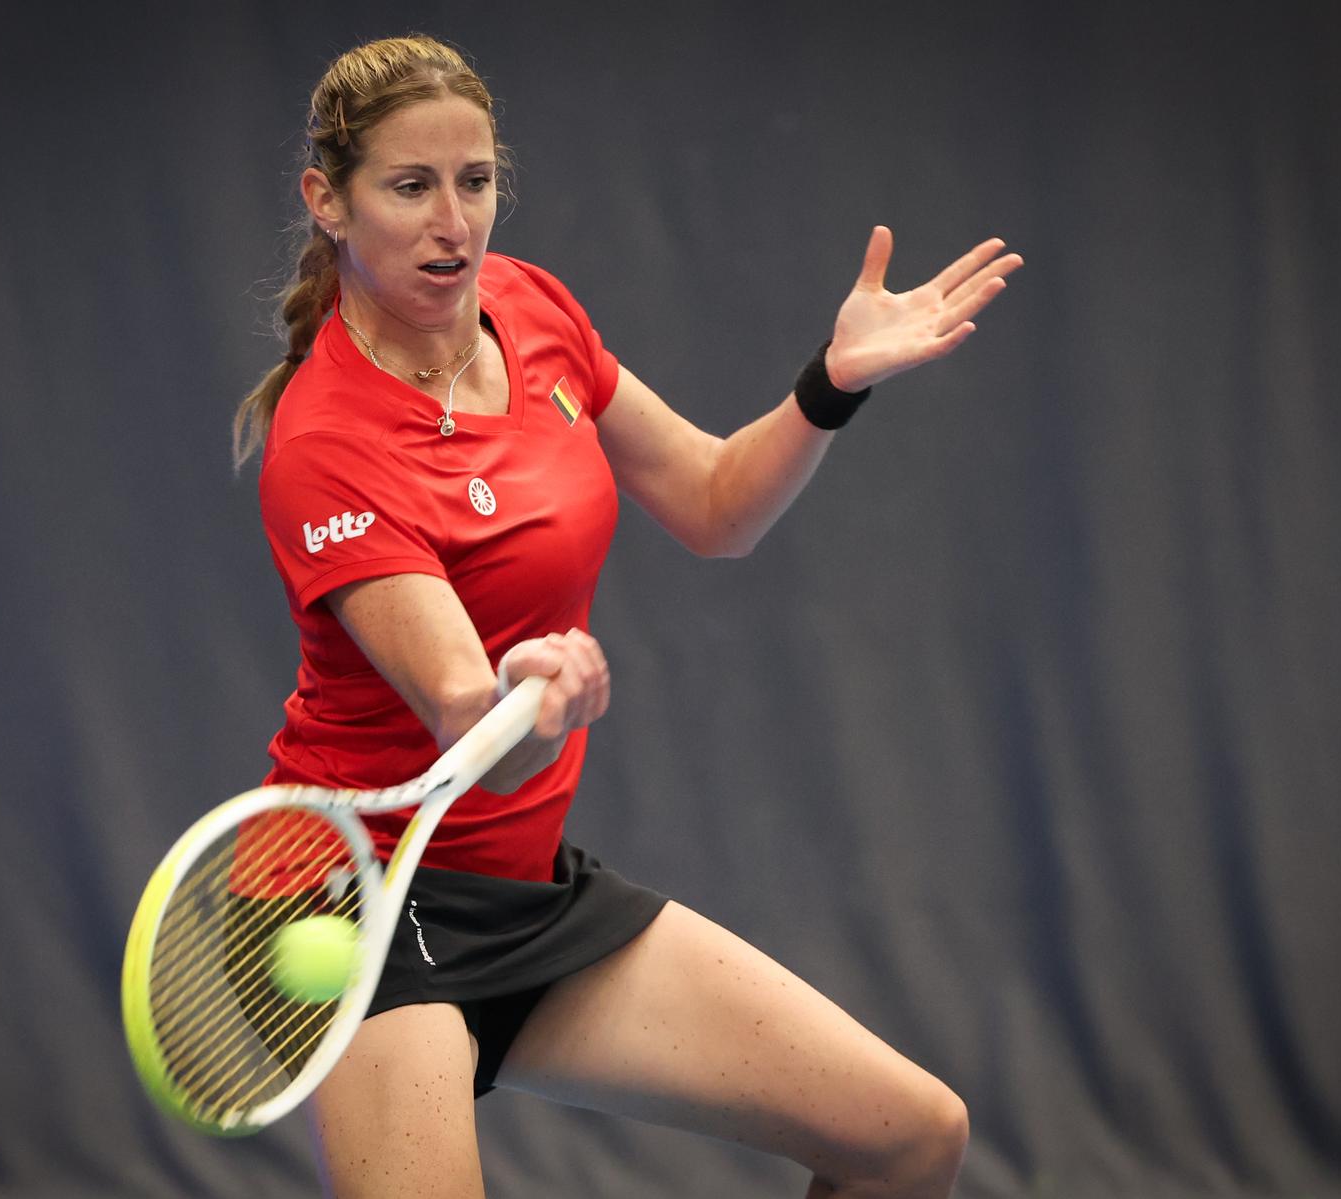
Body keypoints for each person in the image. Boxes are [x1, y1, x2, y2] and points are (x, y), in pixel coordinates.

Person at [231, 34, 1021, 1199]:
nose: (456, 222)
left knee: (910, 1135)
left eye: (476, 180)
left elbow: (715, 506)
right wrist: (532, 696)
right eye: (410, 187)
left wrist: (832, 383)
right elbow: (469, 726)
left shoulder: (531, 306)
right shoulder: (326, 444)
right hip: (356, 909)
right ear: (328, 200)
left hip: (521, 894)